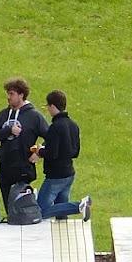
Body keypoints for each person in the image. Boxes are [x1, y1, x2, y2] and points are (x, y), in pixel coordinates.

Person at [0, 78, 49, 211]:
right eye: (8, 94)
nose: (8, 97)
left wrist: (39, 153)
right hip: (5, 167)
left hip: (23, 168)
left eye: (11, 94)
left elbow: (51, 137)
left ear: (21, 95)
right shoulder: (4, 114)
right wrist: (8, 130)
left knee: (21, 208)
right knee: (8, 206)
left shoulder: (34, 116)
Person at [37, 90, 91, 221]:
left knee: (39, 211)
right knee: (61, 213)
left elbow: (52, 153)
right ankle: (63, 235)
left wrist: (40, 151)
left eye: (48, 107)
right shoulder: (73, 125)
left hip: (55, 176)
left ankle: (79, 206)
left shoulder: (55, 127)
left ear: (52, 106)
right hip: (69, 174)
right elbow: (75, 152)